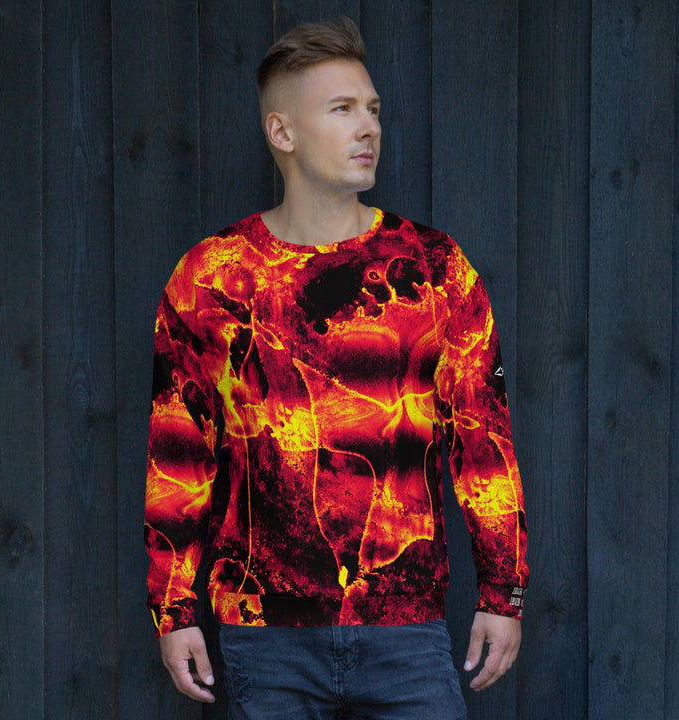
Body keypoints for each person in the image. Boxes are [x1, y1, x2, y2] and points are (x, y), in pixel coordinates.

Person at [144, 16, 528, 719]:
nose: (369, 127)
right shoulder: (212, 278)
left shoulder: (435, 269)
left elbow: (484, 442)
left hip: (406, 627)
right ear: (282, 132)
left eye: (373, 109)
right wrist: (172, 609)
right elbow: (180, 451)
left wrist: (504, 594)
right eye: (343, 109)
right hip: (264, 635)